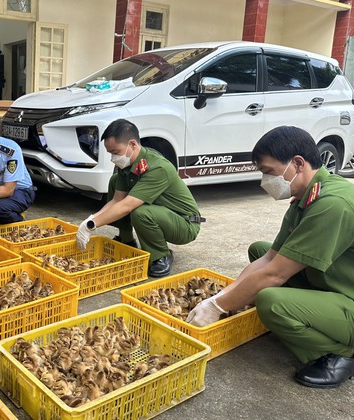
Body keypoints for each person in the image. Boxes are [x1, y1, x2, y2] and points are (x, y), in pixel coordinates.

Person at [187, 126, 354, 388]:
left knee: (271, 301)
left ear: (297, 163)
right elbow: (268, 259)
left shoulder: (332, 203)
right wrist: (221, 297)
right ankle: (313, 324)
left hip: (349, 299)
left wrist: (218, 307)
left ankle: (338, 353)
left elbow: (276, 273)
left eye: (269, 171)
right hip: (334, 284)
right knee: (260, 249)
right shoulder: (306, 197)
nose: (265, 181)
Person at [75, 119, 203, 277]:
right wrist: (92, 219)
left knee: (140, 212)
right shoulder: (127, 165)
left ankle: (161, 255)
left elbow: (126, 206)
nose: (113, 158)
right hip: (161, 213)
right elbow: (116, 201)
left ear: (133, 145)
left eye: (115, 152)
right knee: (115, 181)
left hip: (184, 223)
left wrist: (91, 226)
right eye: (110, 153)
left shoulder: (158, 167)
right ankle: (127, 239)